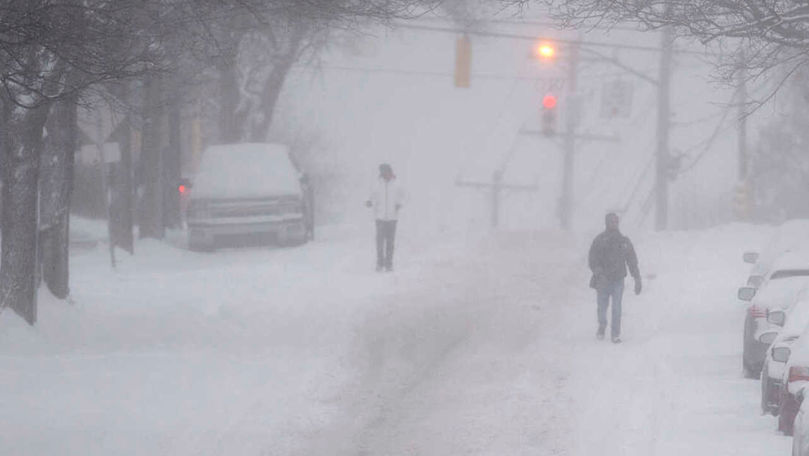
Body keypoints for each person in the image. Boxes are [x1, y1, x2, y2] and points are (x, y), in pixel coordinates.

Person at [588, 212, 641, 343]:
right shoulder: (599, 240)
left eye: (616, 222)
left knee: (617, 308)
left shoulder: (624, 241)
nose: (614, 224)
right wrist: (598, 272)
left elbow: (632, 260)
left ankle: (615, 334)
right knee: (602, 307)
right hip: (602, 280)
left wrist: (637, 277)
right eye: (611, 222)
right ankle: (602, 325)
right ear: (606, 223)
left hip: (618, 280)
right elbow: (592, 259)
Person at [366, 164, 404, 272]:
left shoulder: (397, 184)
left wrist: (399, 204)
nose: (383, 173)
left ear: (389, 171)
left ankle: (389, 264)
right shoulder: (377, 184)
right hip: (380, 217)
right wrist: (369, 202)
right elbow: (371, 196)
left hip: (392, 218)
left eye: (384, 171)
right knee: (379, 242)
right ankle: (379, 263)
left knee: (390, 243)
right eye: (381, 171)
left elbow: (405, 196)